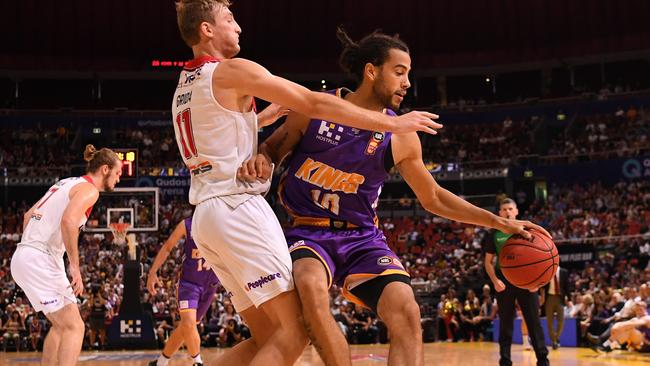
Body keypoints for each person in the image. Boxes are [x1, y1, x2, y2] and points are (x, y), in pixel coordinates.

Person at [246, 28, 550, 366]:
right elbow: (272, 147)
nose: (407, 83)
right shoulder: (315, 109)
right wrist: (263, 156)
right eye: (400, 72)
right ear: (371, 71)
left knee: (407, 310)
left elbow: (433, 196)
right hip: (307, 230)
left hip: (362, 238)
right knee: (311, 289)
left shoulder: (401, 134)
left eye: (409, 74)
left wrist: (498, 221)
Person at [171, 1, 441, 365]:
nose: (238, 27)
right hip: (238, 209)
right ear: (207, 30)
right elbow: (313, 103)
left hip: (206, 216)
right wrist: (393, 123)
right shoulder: (233, 70)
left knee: (267, 335)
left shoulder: (186, 85)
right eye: (229, 20)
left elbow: (221, 130)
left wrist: (260, 119)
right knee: (293, 332)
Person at [10, 144, 122, 365]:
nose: (119, 178)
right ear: (105, 169)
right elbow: (69, 221)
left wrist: (34, 251)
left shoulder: (66, 183)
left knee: (61, 326)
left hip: (24, 255)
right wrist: (75, 267)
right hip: (40, 258)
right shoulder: (90, 190)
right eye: (118, 173)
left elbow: (27, 217)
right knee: (74, 326)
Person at [484, 198, 549, 366]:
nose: (507, 212)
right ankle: (505, 360)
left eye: (510, 209)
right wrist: (495, 280)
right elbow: (487, 262)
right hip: (504, 282)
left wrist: (538, 283)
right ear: (499, 213)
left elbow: (544, 259)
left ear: (517, 211)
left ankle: (543, 359)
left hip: (527, 282)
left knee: (533, 322)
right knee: (505, 324)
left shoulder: (526, 228)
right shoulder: (494, 232)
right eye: (504, 209)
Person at [148, 218, 220, 366]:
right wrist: (152, 272)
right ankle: (197, 362)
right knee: (188, 324)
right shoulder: (186, 224)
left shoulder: (221, 222)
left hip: (211, 284)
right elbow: (168, 247)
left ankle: (161, 362)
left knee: (186, 328)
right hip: (189, 284)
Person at [541, 265, 569, 349]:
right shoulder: (547, 272)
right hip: (549, 298)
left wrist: (569, 298)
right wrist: (541, 297)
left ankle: (555, 338)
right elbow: (543, 286)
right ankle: (554, 341)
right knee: (549, 321)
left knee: (561, 321)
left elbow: (567, 286)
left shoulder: (564, 272)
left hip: (560, 298)